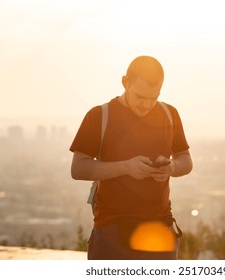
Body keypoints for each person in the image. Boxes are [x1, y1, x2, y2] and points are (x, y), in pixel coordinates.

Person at [69, 55, 193, 259]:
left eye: (153, 98)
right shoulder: (99, 116)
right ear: (125, 82)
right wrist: (126, 167)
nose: (146, 105)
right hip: (112, 231)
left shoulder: (170, 114)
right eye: (140, 97)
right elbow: (78, 169)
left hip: (160, 228)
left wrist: (172, 167)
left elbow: (185, 159)